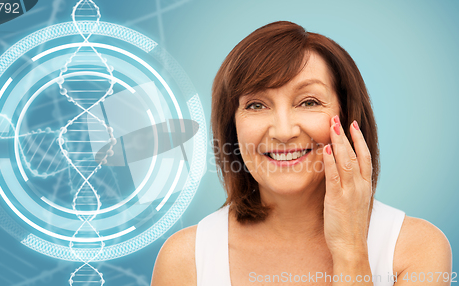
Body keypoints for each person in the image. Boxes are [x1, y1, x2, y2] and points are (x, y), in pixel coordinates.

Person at [151, 21, 452, 286]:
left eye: (308, 102)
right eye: (256, 105)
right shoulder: (185, 258)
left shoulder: (416, 249)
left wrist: (350, 251)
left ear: (347, 117)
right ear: (233, 127)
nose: (283, 132)